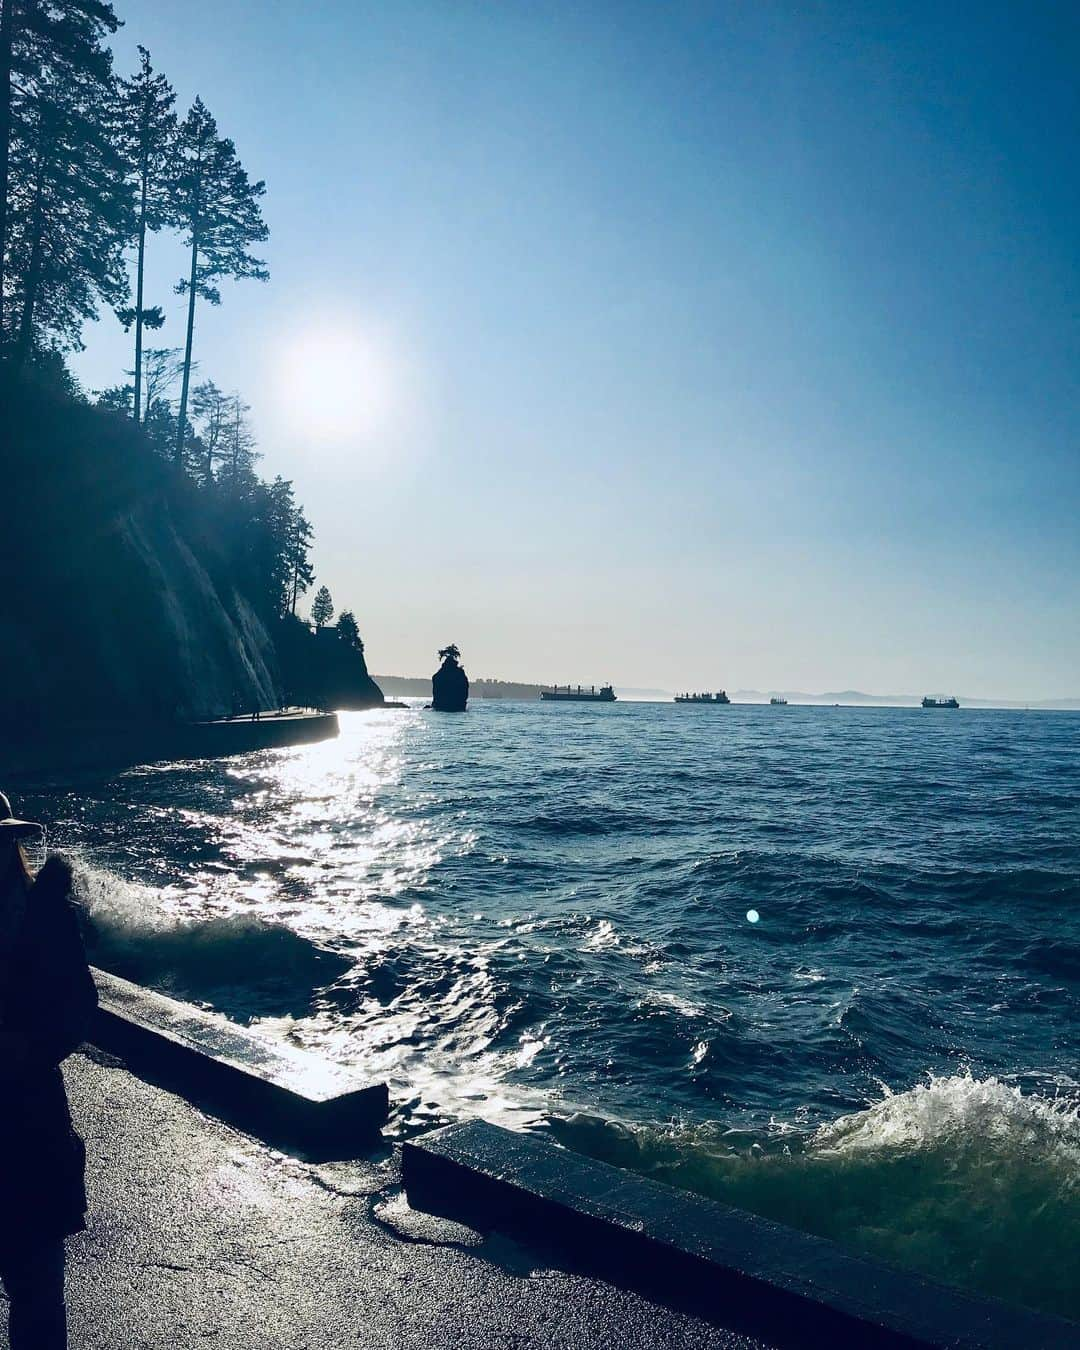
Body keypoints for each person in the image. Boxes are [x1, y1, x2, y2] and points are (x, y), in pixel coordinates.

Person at [0, 792, 97, 1350]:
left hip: (30, 1124)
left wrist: (26, 1047)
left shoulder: (44, 912)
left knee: (37, 1292)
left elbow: (79, 1008)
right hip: (31, 1123)